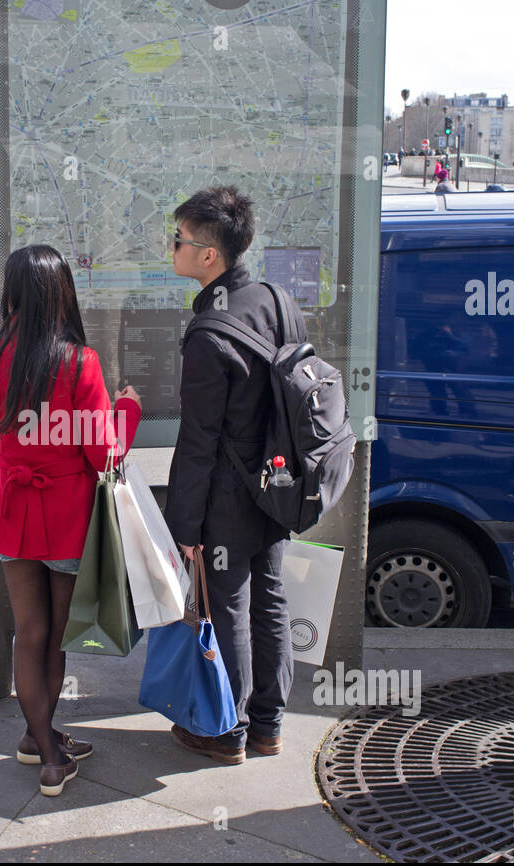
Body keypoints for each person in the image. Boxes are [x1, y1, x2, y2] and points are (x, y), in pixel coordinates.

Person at [0, 244, 141, 796]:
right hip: (67, 515)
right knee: (57, 638)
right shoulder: (79, 363)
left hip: (12, 509)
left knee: (28, 633)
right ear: (61, 294)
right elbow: (104, 456)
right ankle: (49, 758)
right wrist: (128, 409)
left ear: (11, 294)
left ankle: (35, 738)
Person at [164, 185, 294, 766]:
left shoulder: (206, 338)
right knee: (268, 596)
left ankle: (228, 732)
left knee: (230, 605)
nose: (173, 248)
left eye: (179, 240)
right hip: (277, 484)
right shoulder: (274, 299)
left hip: (226, 496)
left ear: (208, 255)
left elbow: (198, 443)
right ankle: (268, 726)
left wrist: (183, 526)